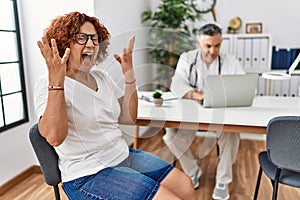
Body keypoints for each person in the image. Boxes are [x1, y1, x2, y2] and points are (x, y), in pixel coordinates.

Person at [34, 11, 196, 200]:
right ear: (64, 43)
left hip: (122, 155)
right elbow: (54, 137)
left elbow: (129, 117)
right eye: (81, 38)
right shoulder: (48, 83)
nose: (91, 44)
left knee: (186, 187)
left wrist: (129, 76)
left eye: (95, 39)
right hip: (88, 174)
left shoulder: (103, 77)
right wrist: (57, 81)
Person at [163, 23, 245, 200]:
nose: (213, 51)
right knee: (170, 136)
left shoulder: (229, 61)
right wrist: (195, 94)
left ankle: (223, 180)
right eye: (208, 46)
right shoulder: (187, 58)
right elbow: (176, 84)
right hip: (192, 116)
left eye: (217, 46)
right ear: (198, 43)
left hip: (219, 115)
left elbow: (246, 87)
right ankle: (193, 170)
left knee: (231, 135)